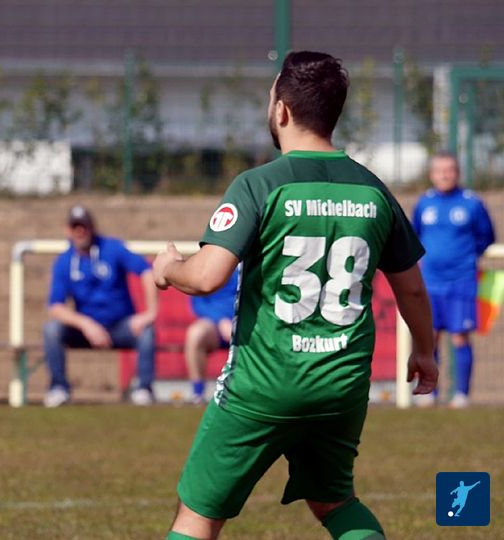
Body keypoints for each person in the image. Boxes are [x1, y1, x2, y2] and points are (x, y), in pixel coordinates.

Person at [152, 51, 437, 540]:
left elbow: (207, 276)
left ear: (281, 110)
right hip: (341, 385)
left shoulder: (259, 185)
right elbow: (410, 286)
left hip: (264, 385)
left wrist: (168, 269)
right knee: (335, 501)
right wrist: (426, 351)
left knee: (197, 513)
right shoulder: (373, 190)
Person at [43, 204, 158, 407]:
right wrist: (86, 324)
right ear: (67, 230)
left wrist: (150, 313)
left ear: (92, 227)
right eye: (75, 227)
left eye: (84, 226)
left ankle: (143, 389)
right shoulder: (64, 261)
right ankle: (58, 388)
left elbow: (146, 271)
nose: (80, 231)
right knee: (51, 330)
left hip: (120, 326)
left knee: (146, 331)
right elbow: (55, 306)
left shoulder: (112, 248)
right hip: (85, 331)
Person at [412, 151, 494, 409]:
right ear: (432, 174)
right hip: (430, 281)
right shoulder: (424, 203)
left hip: (462, 281)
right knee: (430, 337)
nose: (445, 175)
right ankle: (430, 392)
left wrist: (466, 259)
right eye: (440, 171)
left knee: (460, 336)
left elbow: (487, 236)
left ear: (457, 173)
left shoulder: (472, 203)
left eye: (449, 170)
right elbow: (415, 236)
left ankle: (461, 395)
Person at [185, 268, 239, 404]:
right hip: (214, 326)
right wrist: (220, 320)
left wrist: (237, 321)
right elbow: (198, 305)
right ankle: (198, 393)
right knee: (195, 333)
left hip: (245, 323)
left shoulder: (249, 264)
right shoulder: (206, 265)